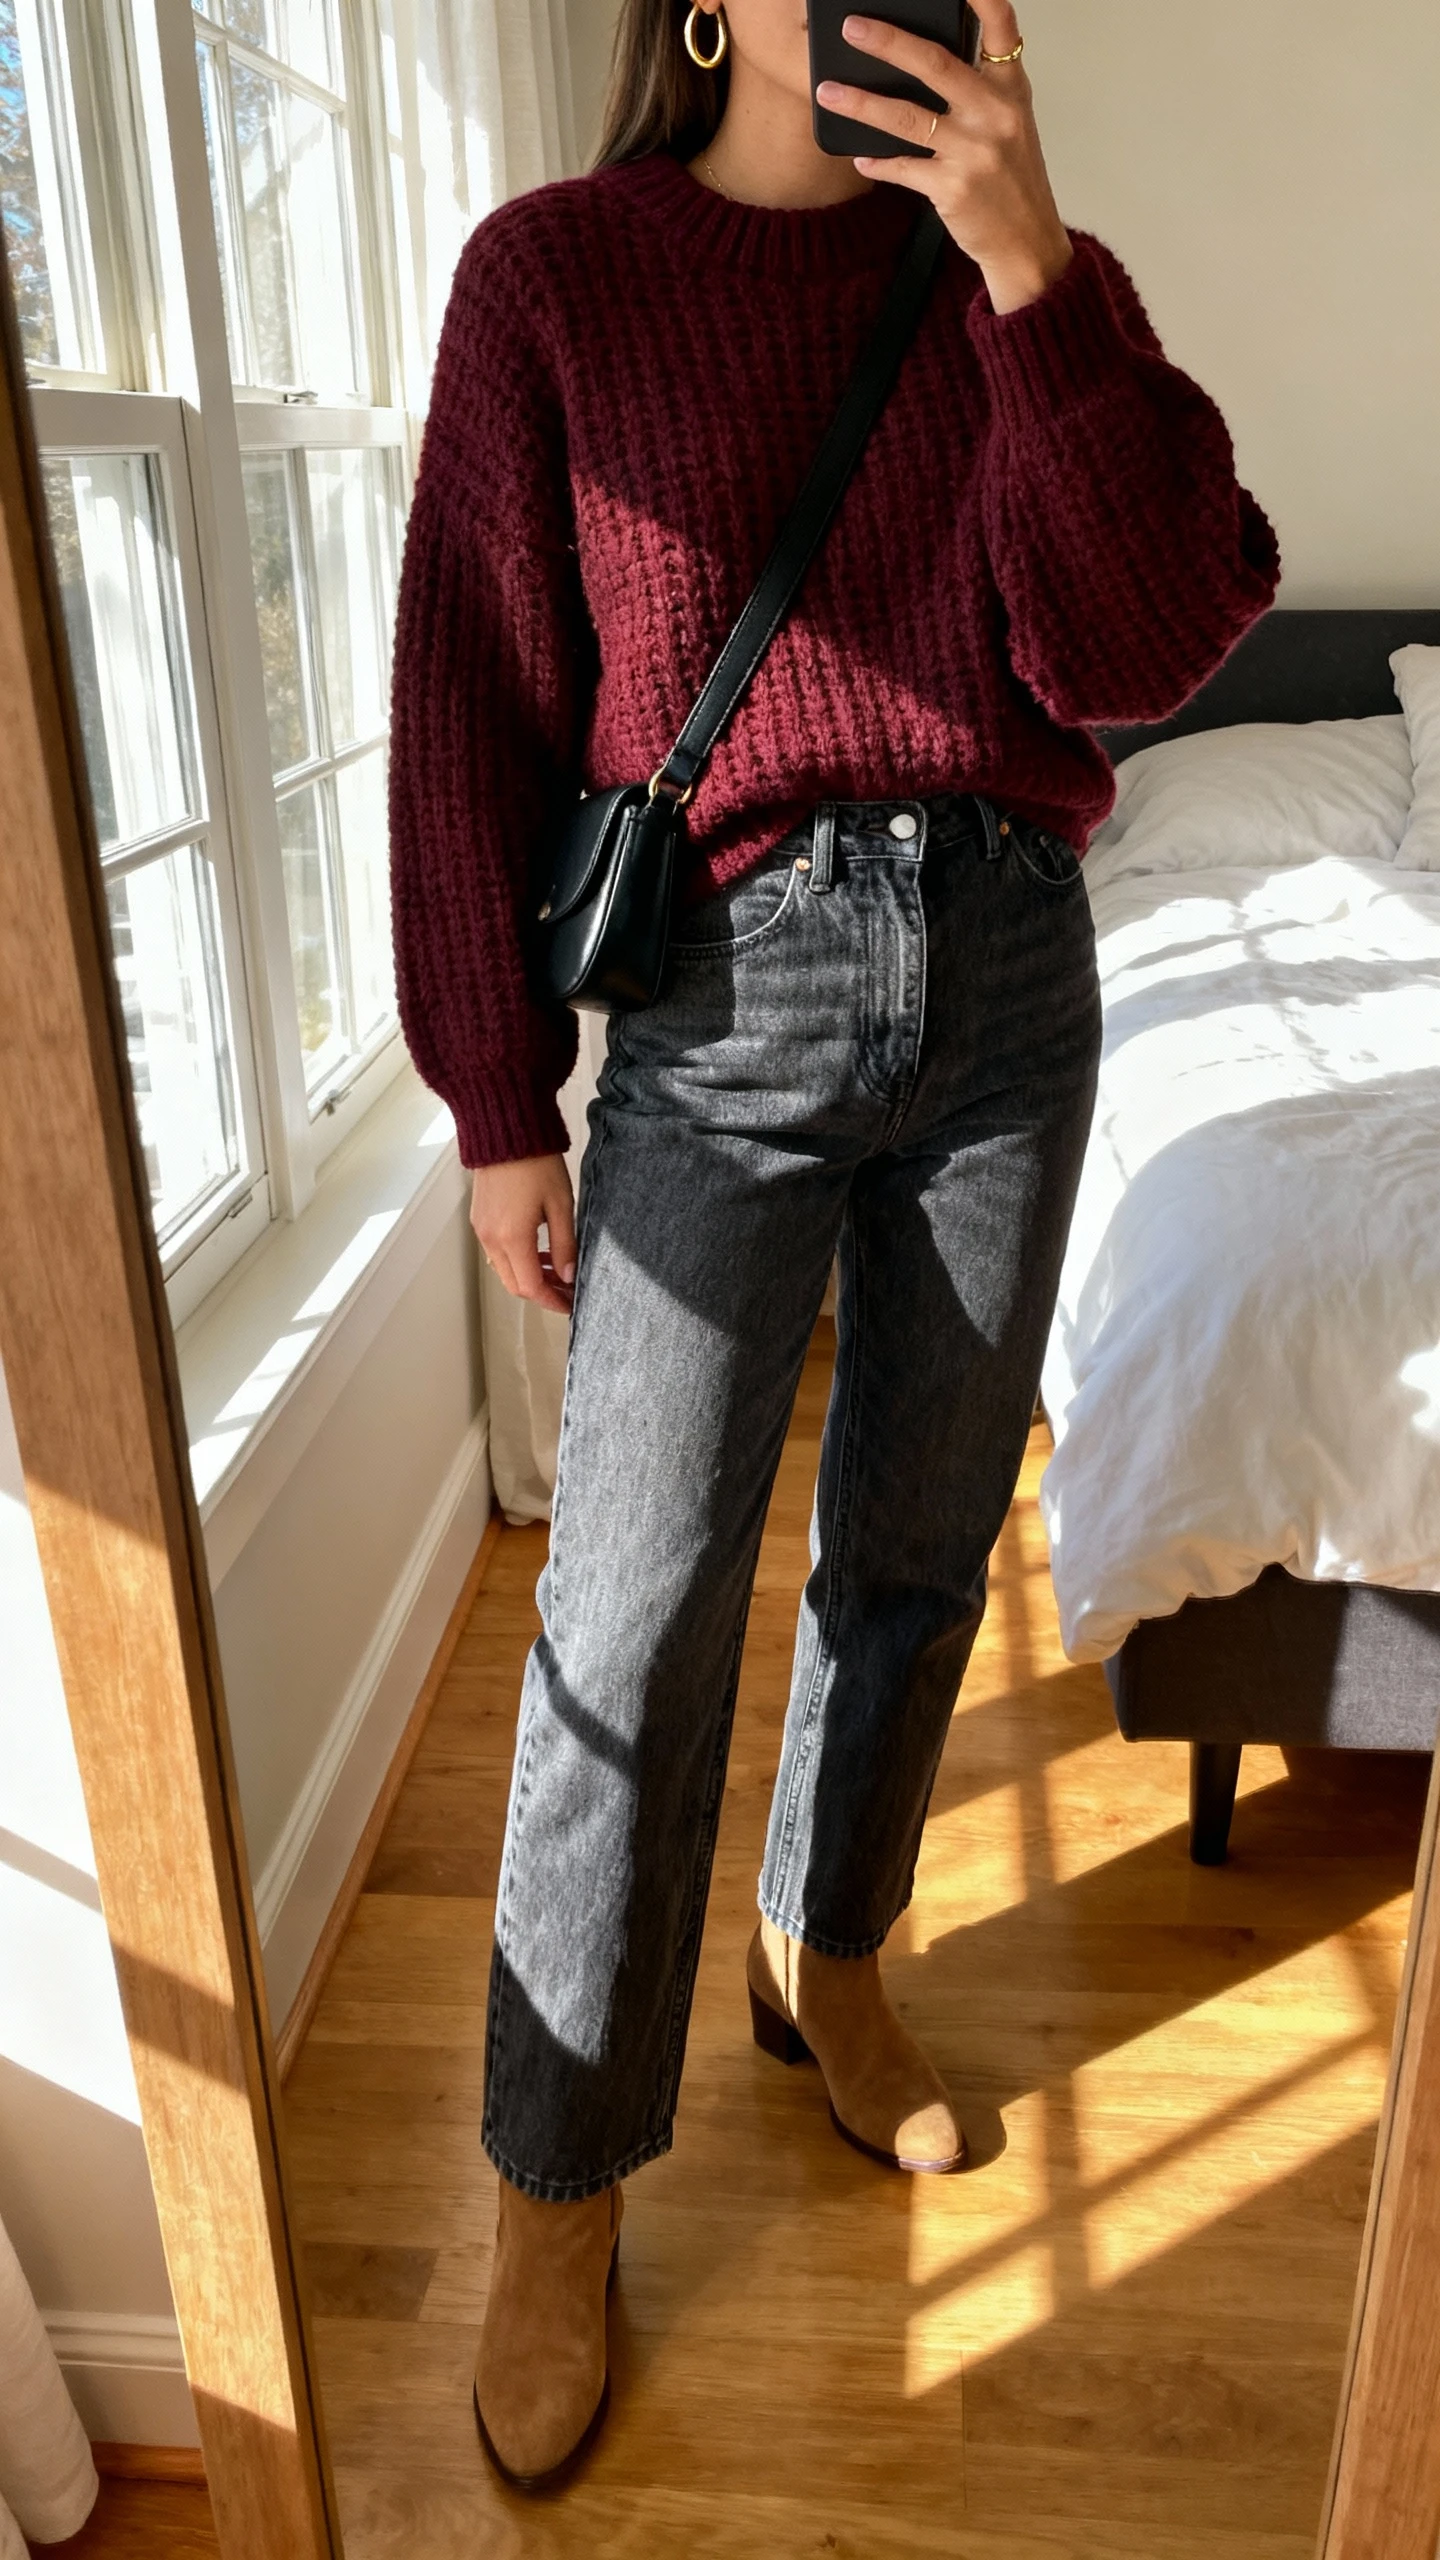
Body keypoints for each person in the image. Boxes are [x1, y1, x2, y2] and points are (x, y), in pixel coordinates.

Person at [387, 0, 1279, 2493]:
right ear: (702, 12)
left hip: (1014, 973)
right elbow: (467, 700)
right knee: (634, 1607)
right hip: (727, 1001)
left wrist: (1036, 266)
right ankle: (552, 2185)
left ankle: (834, 1958)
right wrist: (494, 1099)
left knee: (911, 1548)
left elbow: (1151, 635)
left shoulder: (1009, 279)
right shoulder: (550, 277)